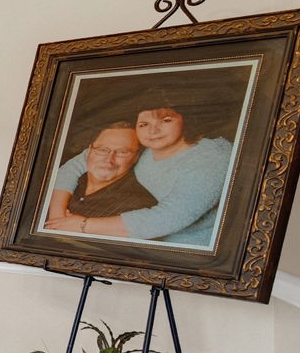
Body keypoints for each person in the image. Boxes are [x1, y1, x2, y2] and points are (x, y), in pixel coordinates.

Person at [46, 91, 234, 247]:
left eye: (165, 120)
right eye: (144, 124)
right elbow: (76, 165)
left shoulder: (213, 157)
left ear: (185, 119)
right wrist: (58, 218)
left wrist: (81, 225)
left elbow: (167, 218)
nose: (153, 131)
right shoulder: (147, 144)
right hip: (142, 238)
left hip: (191, 249)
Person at [44, 123, 156, 226]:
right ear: (89, 151)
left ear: (137, 157)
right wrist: (57, 219)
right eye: (102, 150)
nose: (109, 159)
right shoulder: (62, 182)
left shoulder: (137, 206)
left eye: (122, 152)